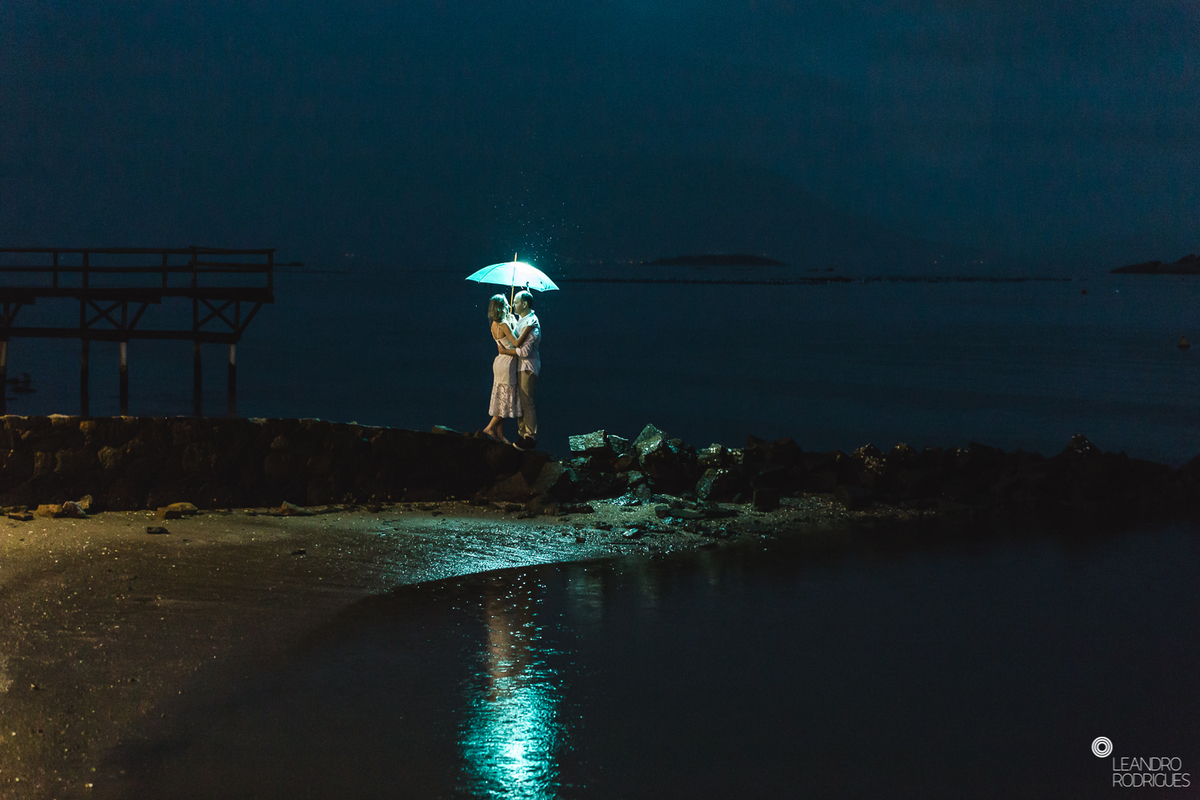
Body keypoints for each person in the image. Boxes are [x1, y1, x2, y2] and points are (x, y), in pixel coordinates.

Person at [498, 289, 540, 451]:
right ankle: (522, 434)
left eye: (516, 302)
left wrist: (504, 352)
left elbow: (524, 352)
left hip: (527, 367)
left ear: (525, 304)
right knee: (520, 401)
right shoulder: (522, 320)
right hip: (518, 366)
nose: (513, 305)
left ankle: (531, 436)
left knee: (527, 401)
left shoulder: (532, 323)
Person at [482, 295, 525, 444]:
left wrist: (513, 322)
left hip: (500, 361)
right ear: (502, 307)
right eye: (507, 304)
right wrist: (524, 328)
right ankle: (490, 427)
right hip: (507, 362)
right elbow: (516, 343)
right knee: (506, 400)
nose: (509, 306)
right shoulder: (504, 324)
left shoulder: (495, 323)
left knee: (501, 396)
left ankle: (499, 434)